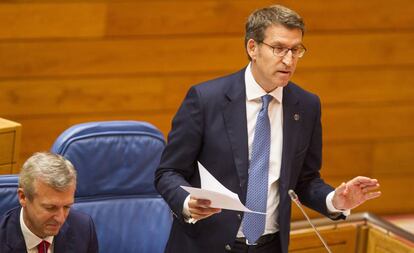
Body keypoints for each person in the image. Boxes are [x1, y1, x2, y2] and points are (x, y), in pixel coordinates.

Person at [155, 4, 381, 253]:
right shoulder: (206, 99)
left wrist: (334, 200)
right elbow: (168, 172)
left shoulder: (306, 105)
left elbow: (305, 180)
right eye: (279, 49)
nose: (289, 60)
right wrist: (187, 203)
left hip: (270, 246)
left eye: (296, 50)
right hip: (206, 245)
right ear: (253, 47)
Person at [0, 152, 98, 253]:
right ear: (23, 197)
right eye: (50, 207)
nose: (60, 219)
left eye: (67, 207)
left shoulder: (83, 229)